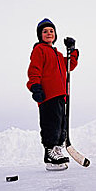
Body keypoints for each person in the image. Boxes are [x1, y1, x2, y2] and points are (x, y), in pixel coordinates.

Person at [27, 18, 79, 170]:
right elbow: (34, 69)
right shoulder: (39, 50)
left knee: (60, 124)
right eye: (45, 31)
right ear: (40, 35)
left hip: (60, 95)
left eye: (51, 31)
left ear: (55, 34)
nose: (49, 33)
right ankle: (49, 152)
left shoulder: (57, 54)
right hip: (47, 95)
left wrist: (72, 49)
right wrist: (35, 86)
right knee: (50, 124)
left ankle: (57, 149)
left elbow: (70, 65)